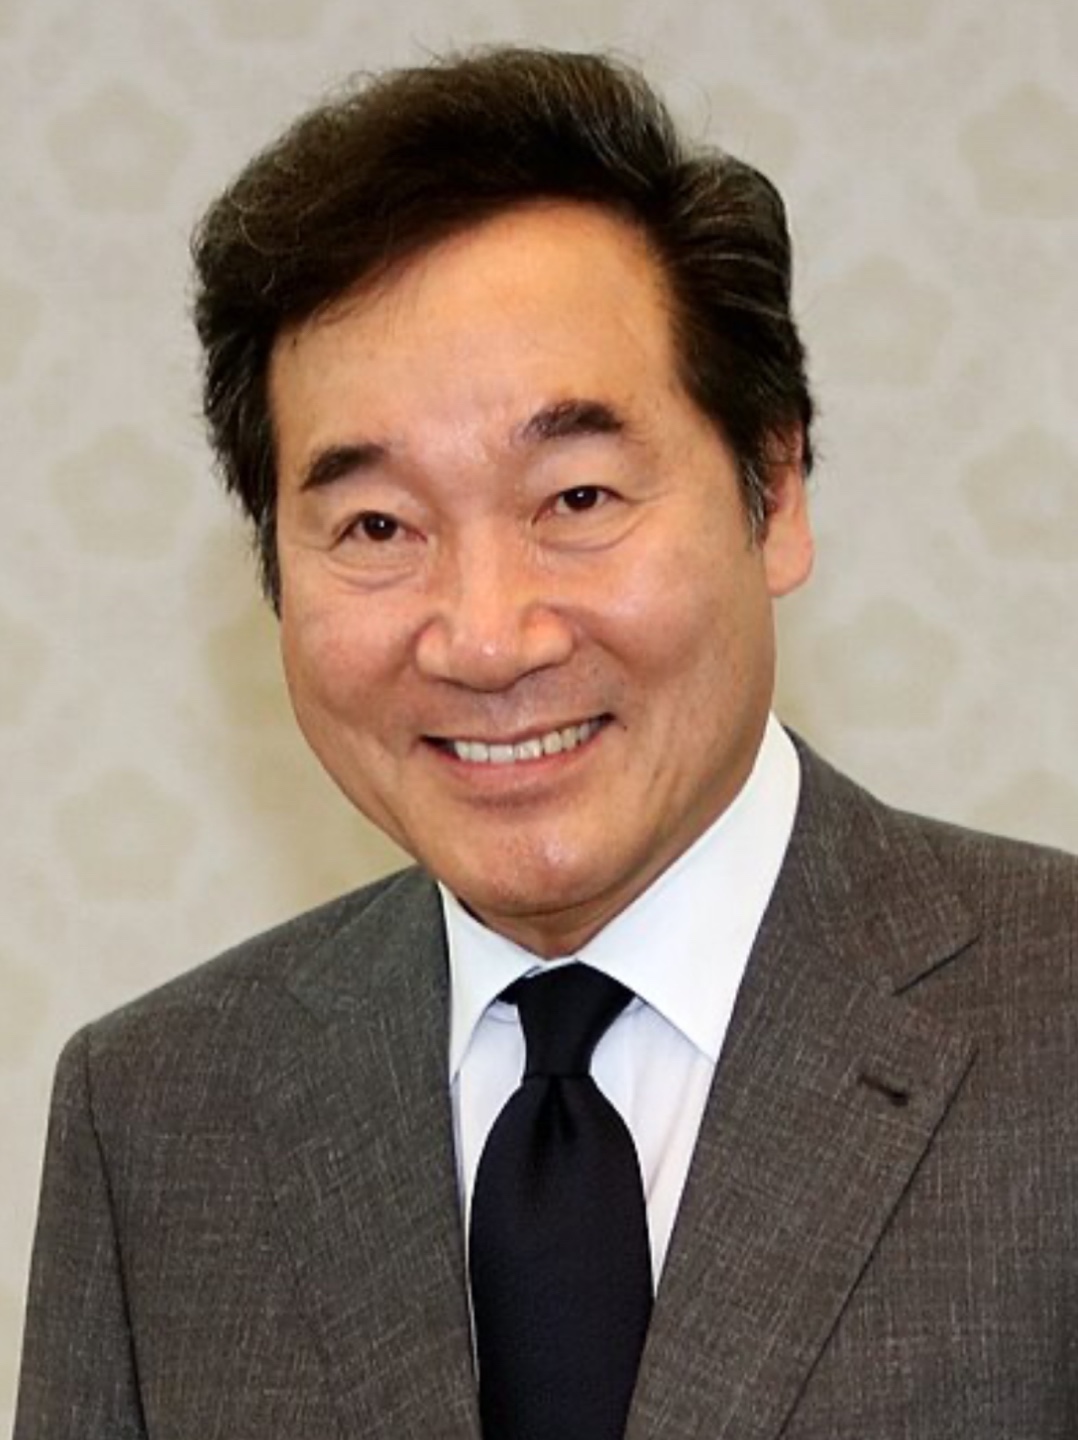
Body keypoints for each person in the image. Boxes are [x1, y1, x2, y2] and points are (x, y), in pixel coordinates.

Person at [14, 45, 1078, 1440]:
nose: (486, 637)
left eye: (575, 498)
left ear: (773, 490)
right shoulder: (154, 1116)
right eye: (377, 525)